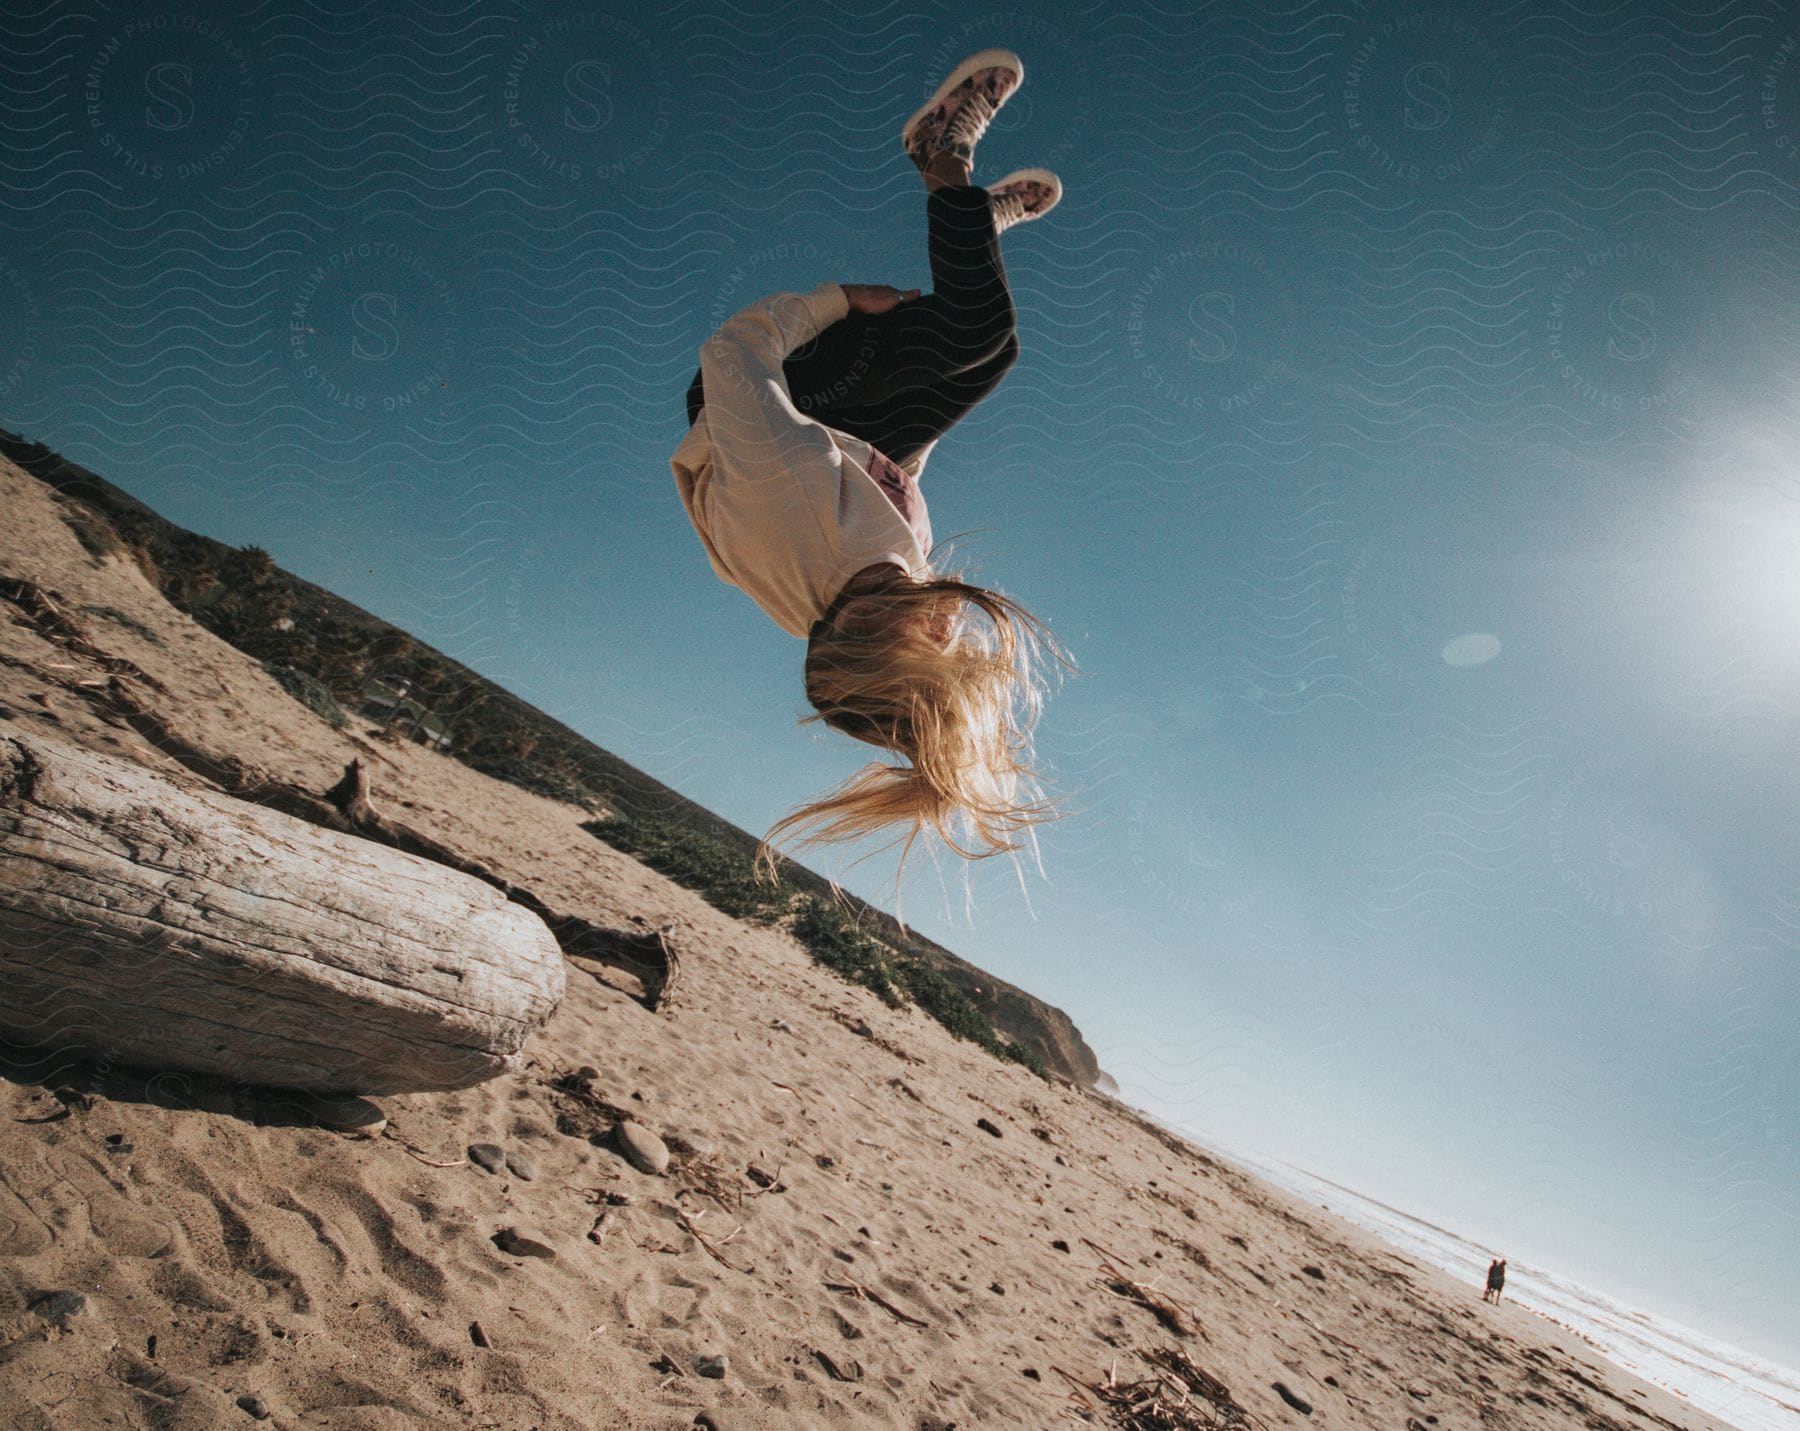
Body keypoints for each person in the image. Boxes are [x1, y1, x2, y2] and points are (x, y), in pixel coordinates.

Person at [672, 49, 1072, 874]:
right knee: (992, 361)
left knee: (973, 332)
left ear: (885, 626)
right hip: (849, 442)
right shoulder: (869, 598)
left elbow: (732, 354)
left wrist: (839, 302)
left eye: (942, 640)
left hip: (757, 391)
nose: (954, 624)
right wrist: (921, 423)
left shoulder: (793, 493)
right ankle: (972, 224)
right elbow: (886, 490)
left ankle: (941, 154)